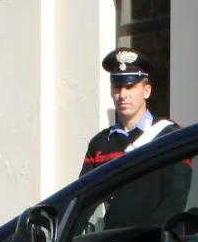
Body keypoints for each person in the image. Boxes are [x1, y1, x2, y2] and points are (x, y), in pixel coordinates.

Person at [78, 48, 189, 231]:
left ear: (146, 90)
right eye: (117, 87)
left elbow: (175, 199)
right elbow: (82, 202)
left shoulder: (170, 136)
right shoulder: (99, 145)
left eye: (130, 87)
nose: (122, 95)